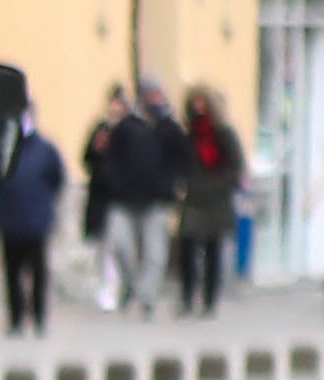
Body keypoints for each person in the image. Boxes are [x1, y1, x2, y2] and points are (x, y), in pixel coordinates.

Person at [83, 81, 177, 316]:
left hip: (155, 200)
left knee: (154, 253)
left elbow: (178, 161)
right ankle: (132, 285)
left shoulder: (169, 130)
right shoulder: (124, 129)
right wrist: (114, 182)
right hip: (123, 199)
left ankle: (148, 296)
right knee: (121, 248)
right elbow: (103, 159)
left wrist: (169, 186)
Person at [169, 89, 242, 321]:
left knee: (213, 250)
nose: (198, 109)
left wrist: (219, 185)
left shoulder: (223, 133)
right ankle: (187, 297)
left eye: (202, 104)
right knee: (187, 247)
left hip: (216, 199)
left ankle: (210, 300)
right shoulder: (189, 135)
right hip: (193, 198)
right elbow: (180, 163)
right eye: (195, 104)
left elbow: (235, 165)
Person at [0, 105, 65, 335]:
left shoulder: (45, 150)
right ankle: (16, 318)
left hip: (36, 222)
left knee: (38, 273)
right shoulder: (5, 149)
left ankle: (39, 316)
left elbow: (57, 179)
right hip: (10, 220)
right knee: (12, 273)